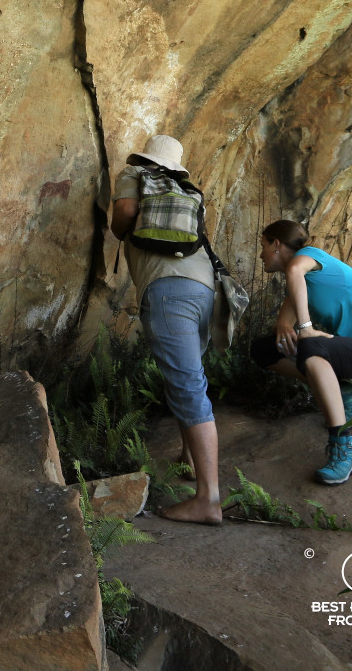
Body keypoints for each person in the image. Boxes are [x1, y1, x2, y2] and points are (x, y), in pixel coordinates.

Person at [111, 134, 221, 524]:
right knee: (190, 375)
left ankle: (208, 499)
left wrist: (120, 226)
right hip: (204, 288)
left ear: (146, 157)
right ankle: (190, 460)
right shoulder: (187, 189)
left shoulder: (135, 174)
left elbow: (124, 212)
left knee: (187, 382)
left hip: (167, 290)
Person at [251, 220, 352, 484]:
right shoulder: (302, 281)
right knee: (264, 349)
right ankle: (346, 389)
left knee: (311, 344)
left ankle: (343, 446)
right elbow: (284, 321)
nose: (261, 254)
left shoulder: (308, 257)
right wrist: (285, 325)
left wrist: (306, 328)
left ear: (277, 244)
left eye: (263, 245)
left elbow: (295, 271)